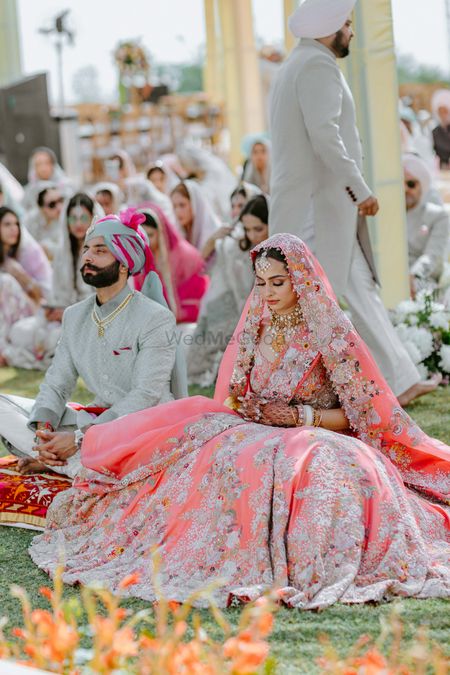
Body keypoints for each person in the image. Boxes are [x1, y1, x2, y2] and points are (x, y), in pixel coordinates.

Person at [28, 234, 449, 609]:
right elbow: (235, 393)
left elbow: (360, 414)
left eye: (277, 283)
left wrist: (304, 416)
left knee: (300, 463)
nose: (266, 293)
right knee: (205, 445)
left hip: (318, 435)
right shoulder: (256, 327)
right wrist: (251, 407)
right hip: (256, 429)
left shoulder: (331, 333)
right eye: (261, 283)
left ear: (300, 280)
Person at [269, 0, 436, 406]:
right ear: (331, 27)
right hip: (317, 209)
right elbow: (327, 137)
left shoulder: (301, 63)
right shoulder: (315, 66)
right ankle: (283, 387)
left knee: (357, 288)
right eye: (347, 23)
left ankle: (399, 379)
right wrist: (361, 190)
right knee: (312, 299)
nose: (352, 32)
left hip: (320, 206)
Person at [0, 208, 179, 478]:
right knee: (4, 409)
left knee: (132, 453)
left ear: (124, 263)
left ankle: (69, 461)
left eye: (99, 250)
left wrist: (80, 439)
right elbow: (57, 382)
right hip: (94, 422)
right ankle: (57, 456)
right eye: (86, 249)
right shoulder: (74, 316)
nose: (87, 257)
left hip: (140, 428)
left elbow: (145, 396)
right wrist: (45, 429)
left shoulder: (155, 318)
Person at [187, 194, 270, 387]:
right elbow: (202, 268)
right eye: (248, 229)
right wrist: (213, 240)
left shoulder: (281, 249)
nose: (253, 235)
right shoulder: (237, 247)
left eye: (258, 229)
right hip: (236, 311)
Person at [135, 202, 209, 323]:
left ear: (161, 233)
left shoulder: (185, 256)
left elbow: (196, 292)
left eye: (150, 235)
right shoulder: (140, 259)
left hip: (185, 324)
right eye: (141, 236)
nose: (145, 241)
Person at [0, 207, 52, 367]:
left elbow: (40, 295)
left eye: (16, 224)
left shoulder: (24, 254)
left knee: (5, 282)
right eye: (7, 224)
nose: (14, 229)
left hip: (30, 310)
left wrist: (19, 275)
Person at [403, 154, 449, 297]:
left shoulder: (437, 215)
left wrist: (414, 275)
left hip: (422, 278)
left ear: (422, 185)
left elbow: (432, 256)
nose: (405, 189)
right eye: (400, 184)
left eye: (411, 184)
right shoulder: (386, 215)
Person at [171, 180, 221, 255]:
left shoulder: (213, 231)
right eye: (174, 206)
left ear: (195, 204)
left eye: (182, 205)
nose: (177, 211)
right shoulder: (179, 231)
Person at [22, 147, 73, 211]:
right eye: (39, 164)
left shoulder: (67, 186)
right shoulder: (29, 191)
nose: (43, 168)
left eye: (47, 163)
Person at [23, 184, 65, 261]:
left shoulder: (66, 219)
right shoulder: (30, 220)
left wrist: (47, 248)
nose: (59, 207)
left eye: (61, 200)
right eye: (52, 204)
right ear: (41, 208)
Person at [432, 89, 450, 169]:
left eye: (445, 111)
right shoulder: (435, 132)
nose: (443, 115)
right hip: (442, 167)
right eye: (440, 111)